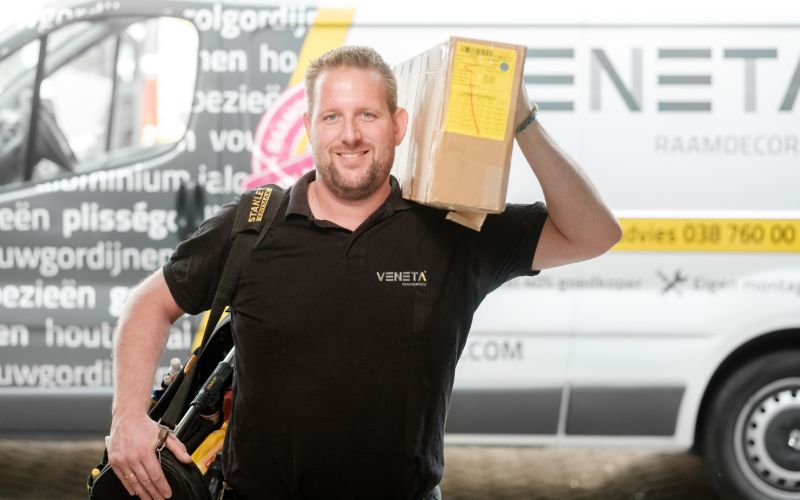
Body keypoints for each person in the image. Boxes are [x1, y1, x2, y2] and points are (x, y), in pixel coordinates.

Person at [107, 46, 622, 500]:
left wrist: (522, 119)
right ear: (309, 127)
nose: (349, 135)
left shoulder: (456, 231)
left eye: (367, 115)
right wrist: (128, 419)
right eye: (331, 116)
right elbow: (149, 304)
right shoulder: (252, 227)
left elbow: (593, 234)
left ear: (398, 125)